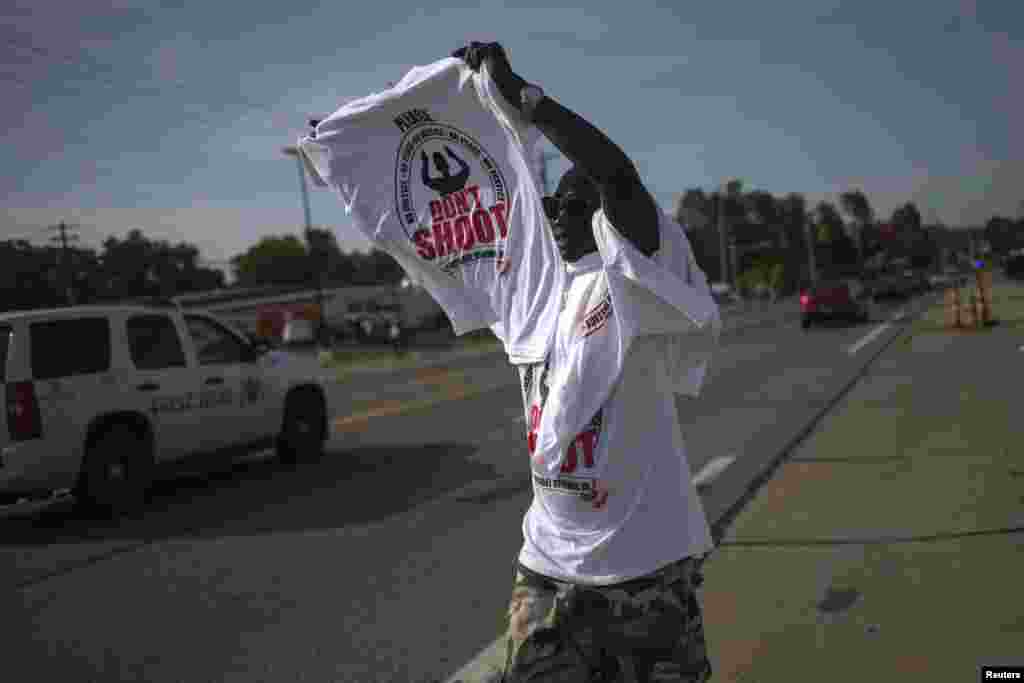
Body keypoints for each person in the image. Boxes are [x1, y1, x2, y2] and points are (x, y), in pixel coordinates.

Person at [454, 43, 717, 682]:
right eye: (552, 207)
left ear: (602, 220)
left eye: (574, 205)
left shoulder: (634, 282)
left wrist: (527, 102)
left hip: (643, 572)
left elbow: (619, 178)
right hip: (546, 567)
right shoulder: (537, 293)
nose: (557, 216)